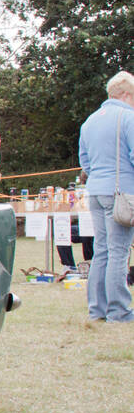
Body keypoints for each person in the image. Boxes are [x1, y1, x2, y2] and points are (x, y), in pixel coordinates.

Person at [78, 70, 134, 323]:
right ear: (127, 94)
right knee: (119, 251)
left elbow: (85, 163)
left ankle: (97, 309)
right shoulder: (128, 117)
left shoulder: (89, 121)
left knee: (101, 251)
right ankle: (119, 311)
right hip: (120, 191)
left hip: (96, 190)